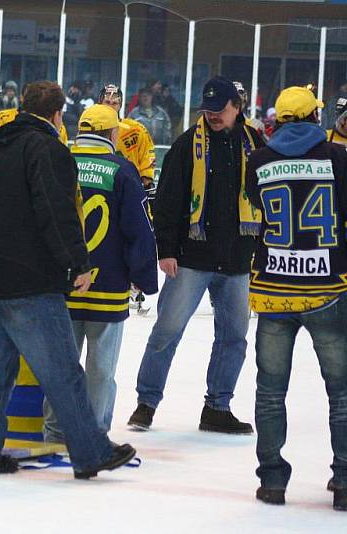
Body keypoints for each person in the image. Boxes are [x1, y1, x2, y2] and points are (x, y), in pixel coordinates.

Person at [0, 80, 136, 478]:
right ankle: (91, 452)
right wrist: (77, 262)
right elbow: (57, 212)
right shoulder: (48, 149)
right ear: (58, 115)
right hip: (32, 280)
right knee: (62, 369)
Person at [127, 76, 264, 433]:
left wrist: (260, 252)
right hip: (191, 259)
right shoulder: (188, 145)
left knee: (233, 338)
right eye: (208, 110)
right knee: (167, 332)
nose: (214, 116)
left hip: (237, 261)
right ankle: (146, 402)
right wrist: (167, 251)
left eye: (220, 110)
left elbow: (266, 201)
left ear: (238, 107)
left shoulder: (255, 145)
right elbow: (168, 201)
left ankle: (217, 407)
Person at [245, 86, 347, 512]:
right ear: (312, 117)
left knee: (270, 393)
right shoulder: (339, 158)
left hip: (273, 292)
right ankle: (344, 480)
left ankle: (272, 480)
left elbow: (256, 203)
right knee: (341, 393)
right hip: (328, 288)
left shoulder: (260, 159)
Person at [42, 104, 158, 439]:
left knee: (61, 362)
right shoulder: (122, 170)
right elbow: (138, 228)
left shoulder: (58, 161)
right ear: (112, 134)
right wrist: (144, 277)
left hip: (61, 282)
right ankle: (91, 436)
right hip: (108, 282)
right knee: (101, 367)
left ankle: (53, 431)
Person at [98, 84, 156, 189]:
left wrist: (147, 182)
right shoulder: (91, 129)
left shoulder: (136, 129)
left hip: (130, 186)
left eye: (115, 103)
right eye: (107, 102)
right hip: (101, 186)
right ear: (99, 104)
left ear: (120, 106)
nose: (110, 107)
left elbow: (147, 155)